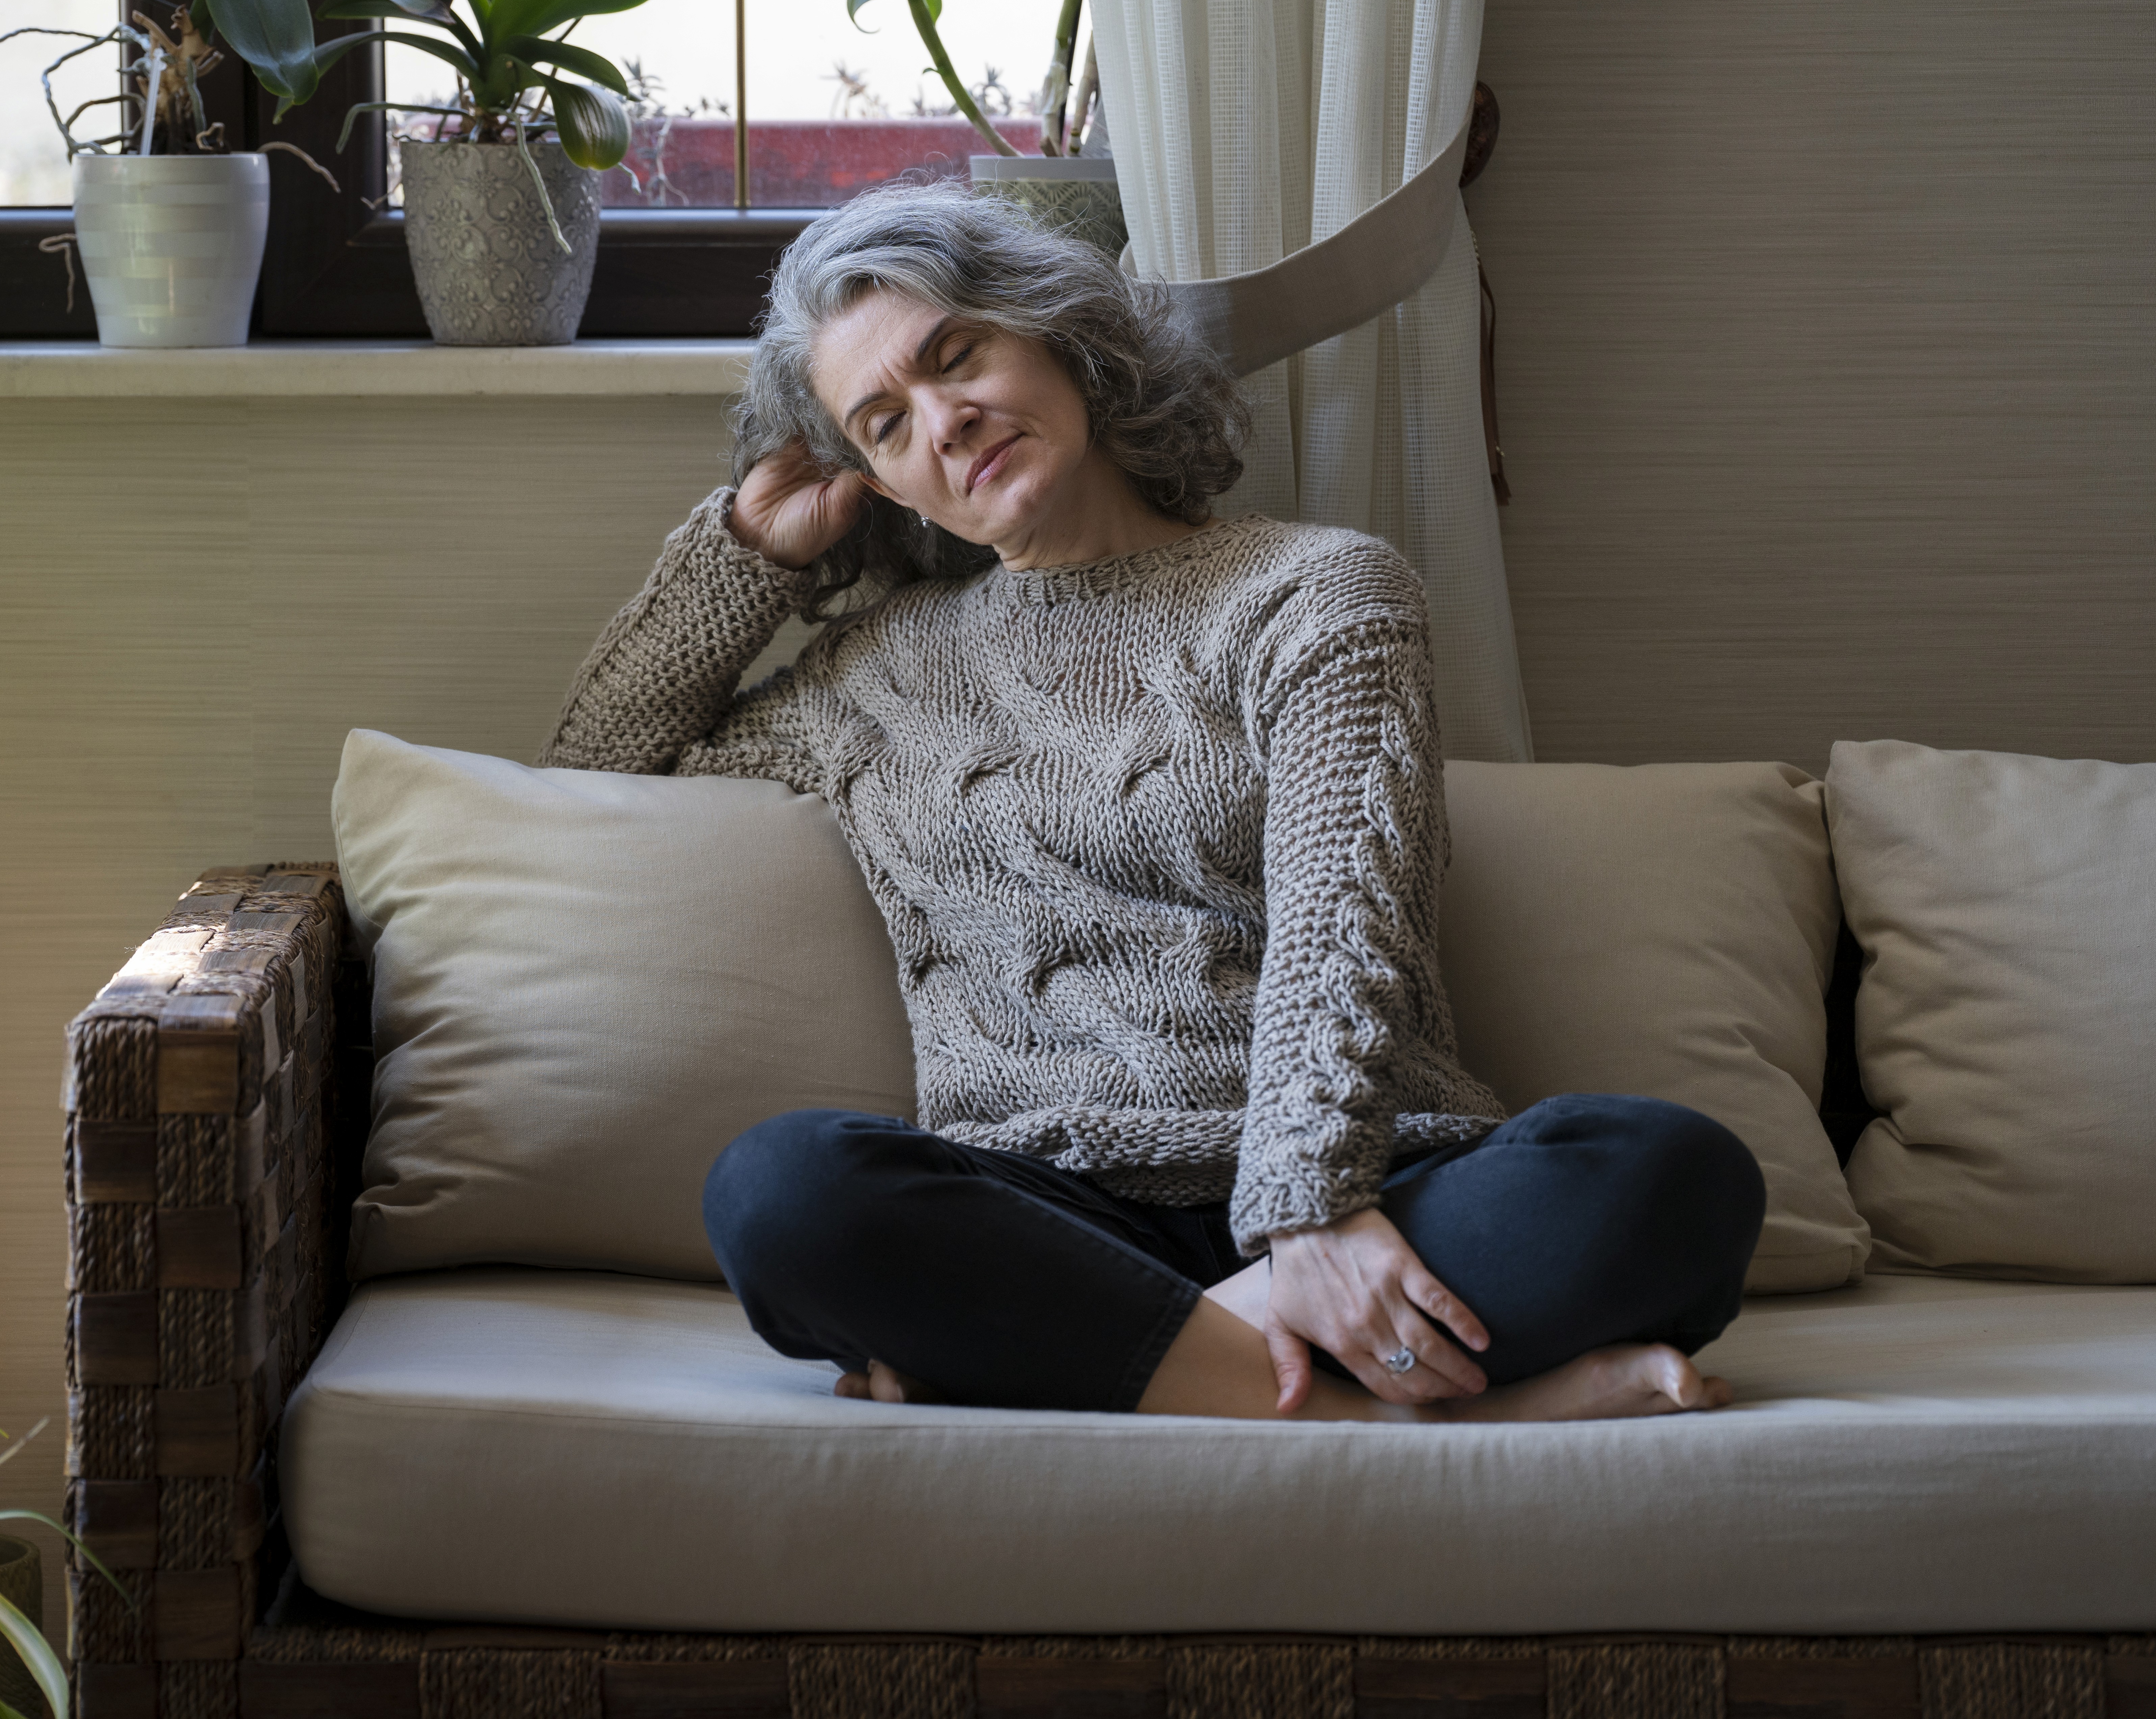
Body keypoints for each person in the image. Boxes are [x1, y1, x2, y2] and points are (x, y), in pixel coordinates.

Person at [544, 182, 1765, 1423]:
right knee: (781, 1189)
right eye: (885, 423)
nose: (946, 420)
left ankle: (1127, 1369)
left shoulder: (1315, 593)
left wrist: (1310, 1213)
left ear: (1057, 330)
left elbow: (1347, 926)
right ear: (884, 487)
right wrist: (750, 546)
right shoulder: (868, 679)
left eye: (956, 356)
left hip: (1371, 1190)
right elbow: (592, 778)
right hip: (1048, 1213)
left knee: (1673, 1176)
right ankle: (1387, 1409)